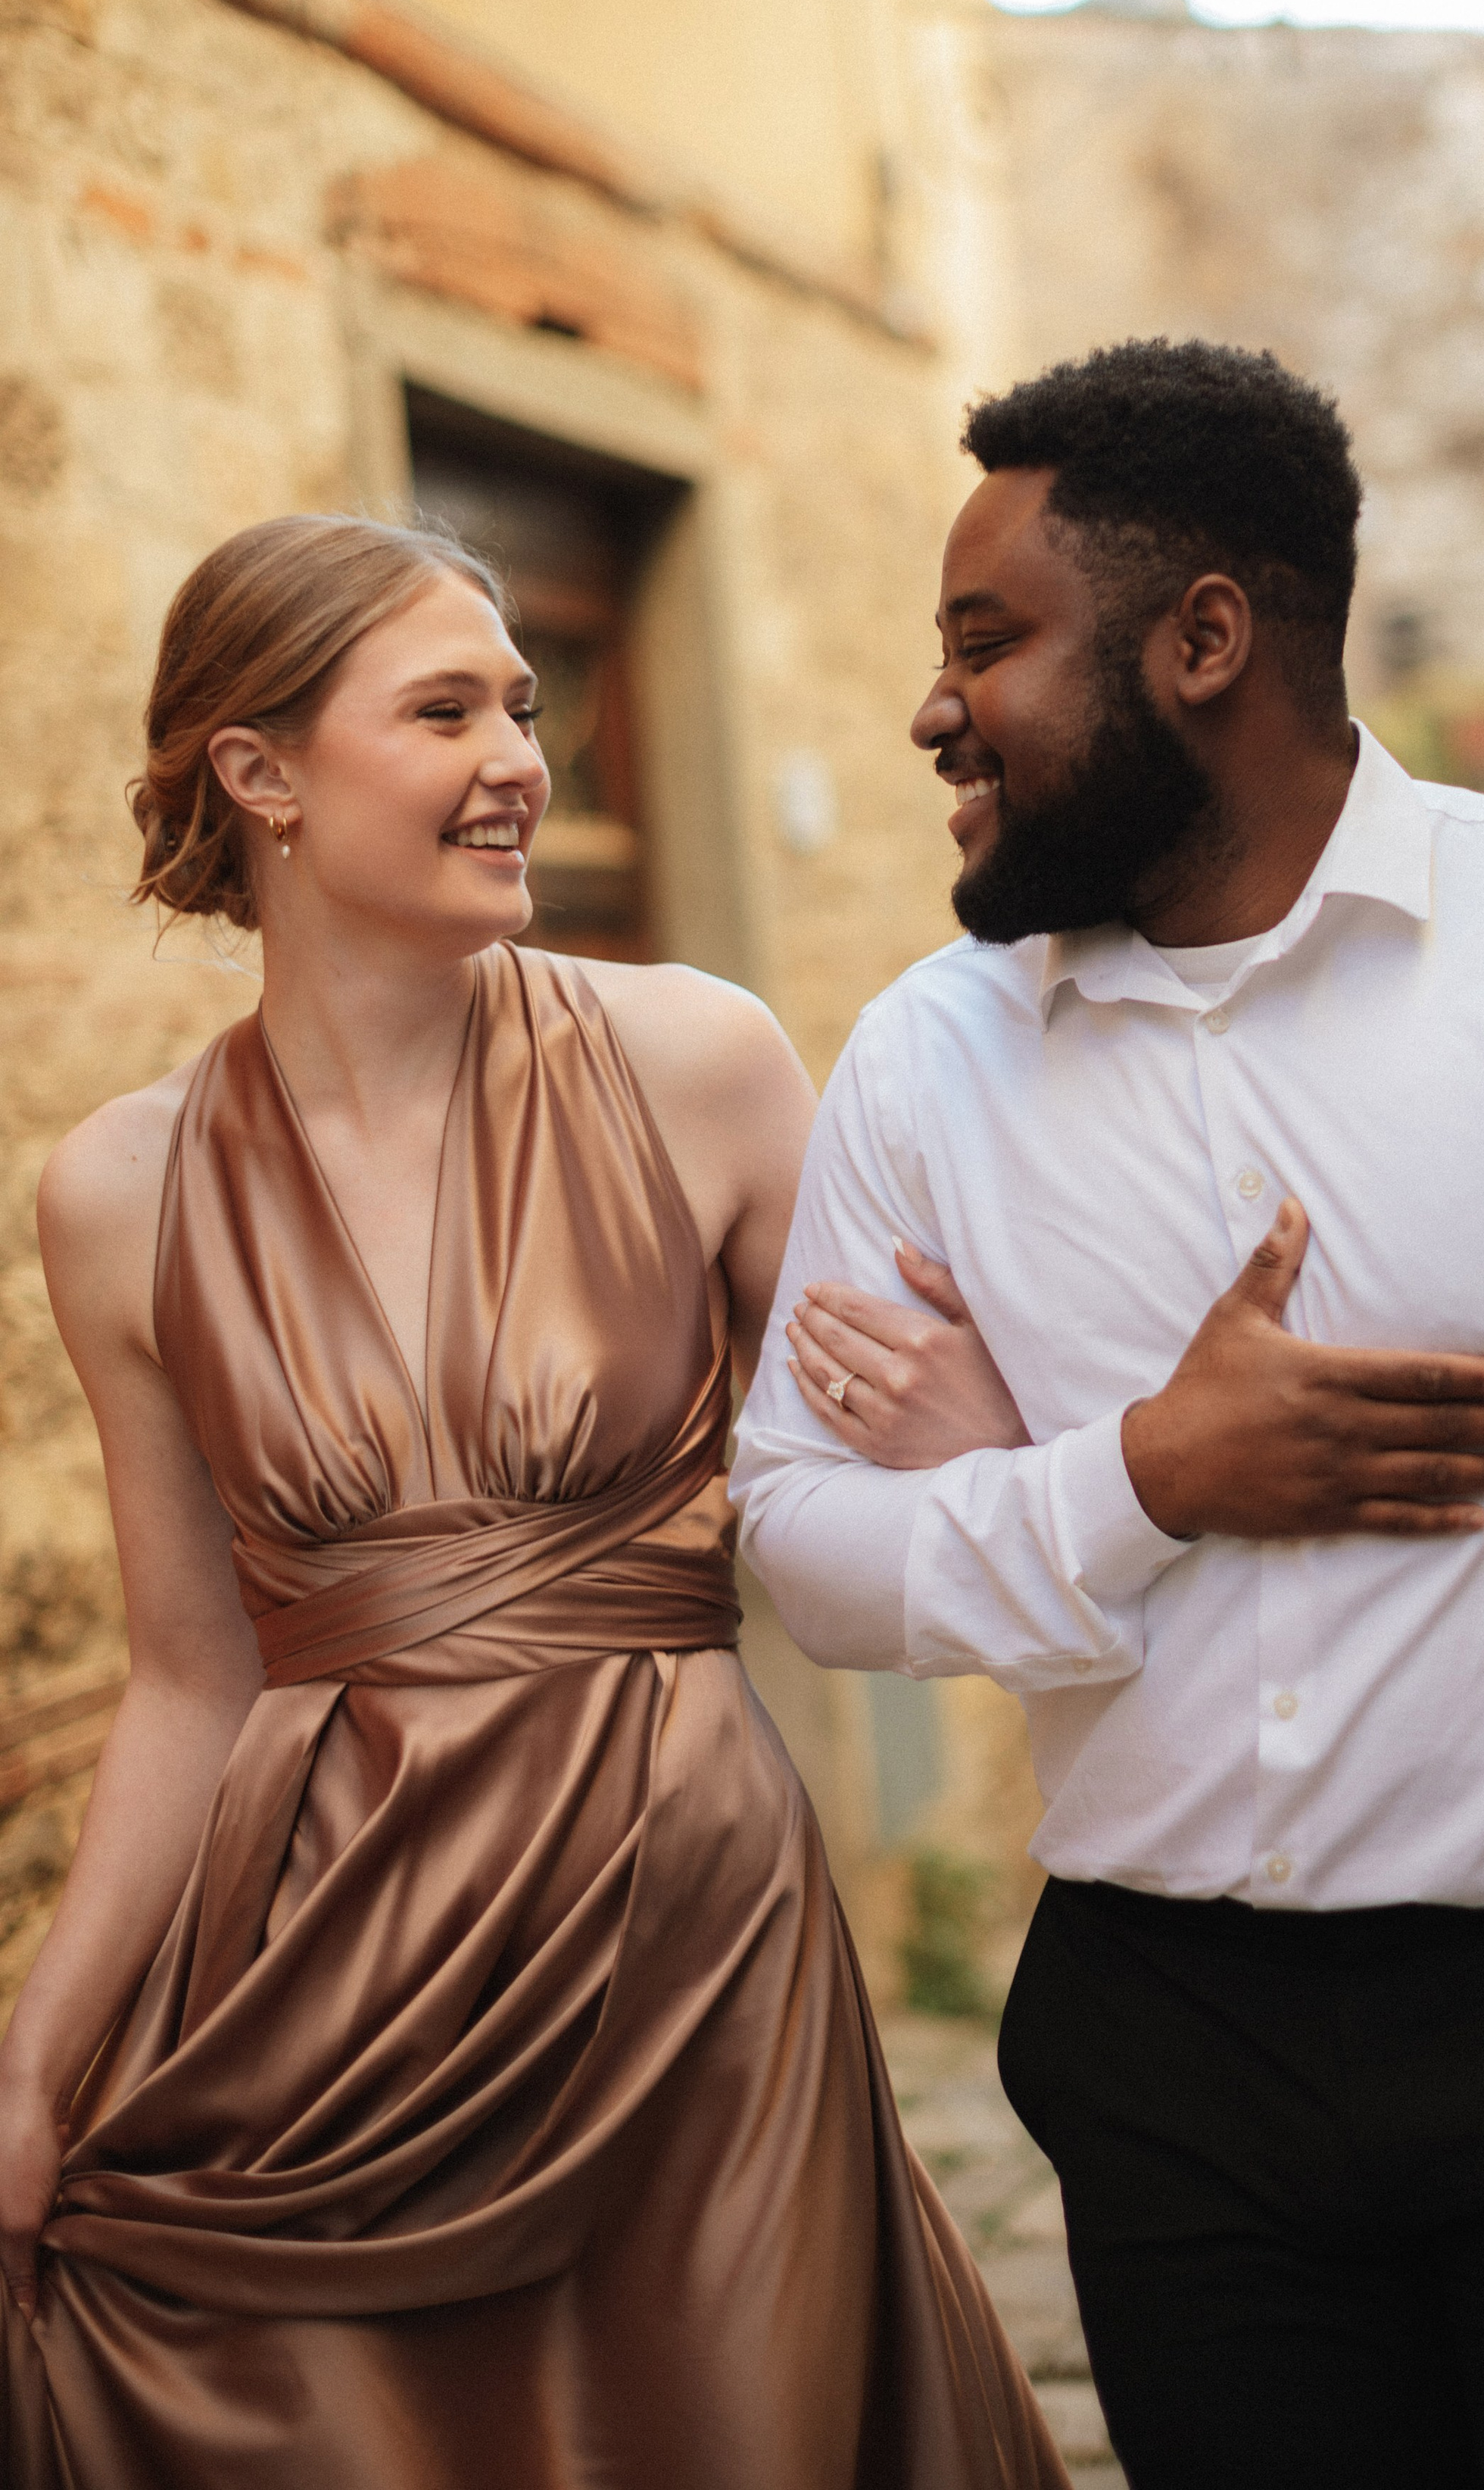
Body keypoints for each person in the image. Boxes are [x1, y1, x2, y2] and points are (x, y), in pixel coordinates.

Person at [733, 338, 1484, 2490]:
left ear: (1206, 639)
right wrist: (1129, 1484)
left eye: (986, 644)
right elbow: (791, 1540)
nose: (932, 709)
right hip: (1168, 2065)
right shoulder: (923, 1061)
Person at [0, 513, 1069, 2489]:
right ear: (260, 777)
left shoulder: (699, 1062)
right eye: (443, 711)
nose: (519, 758)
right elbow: (181, 1676)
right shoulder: (117, 1192)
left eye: (522, 703)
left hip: (684, 1948)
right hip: (317, 1969)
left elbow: (906, 1464)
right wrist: (35, 2064)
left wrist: (992, 1430)